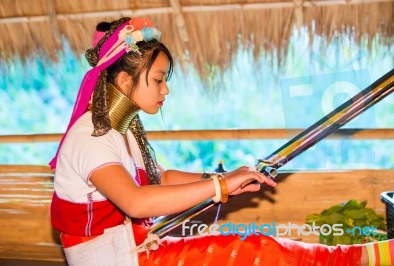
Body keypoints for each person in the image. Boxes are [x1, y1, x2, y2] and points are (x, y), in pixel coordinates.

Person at [49, 17, 392, 266]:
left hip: (137, 252)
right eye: (158, 80)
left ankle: (362, 258)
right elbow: (137, 202)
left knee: (249, 246)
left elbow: (161, 179)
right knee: (252, 252)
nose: (165, 90)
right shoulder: (90, 137)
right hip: (121, 261)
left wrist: (229, 183)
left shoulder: (122, 131)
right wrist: (218, 185)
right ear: (125, 81)